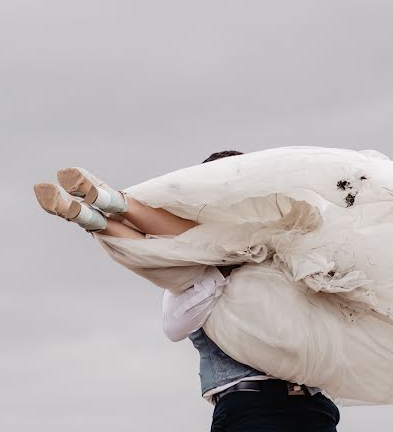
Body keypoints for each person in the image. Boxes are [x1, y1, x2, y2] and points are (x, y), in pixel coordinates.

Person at [33, 150, 342, 432]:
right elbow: (173, 325)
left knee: (163, 251)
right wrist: (219, 275)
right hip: (251, 404)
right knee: (170, 254)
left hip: (311, 406)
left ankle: (92, 207)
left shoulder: (273, 244)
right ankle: (95, 204)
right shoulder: (198, 261)